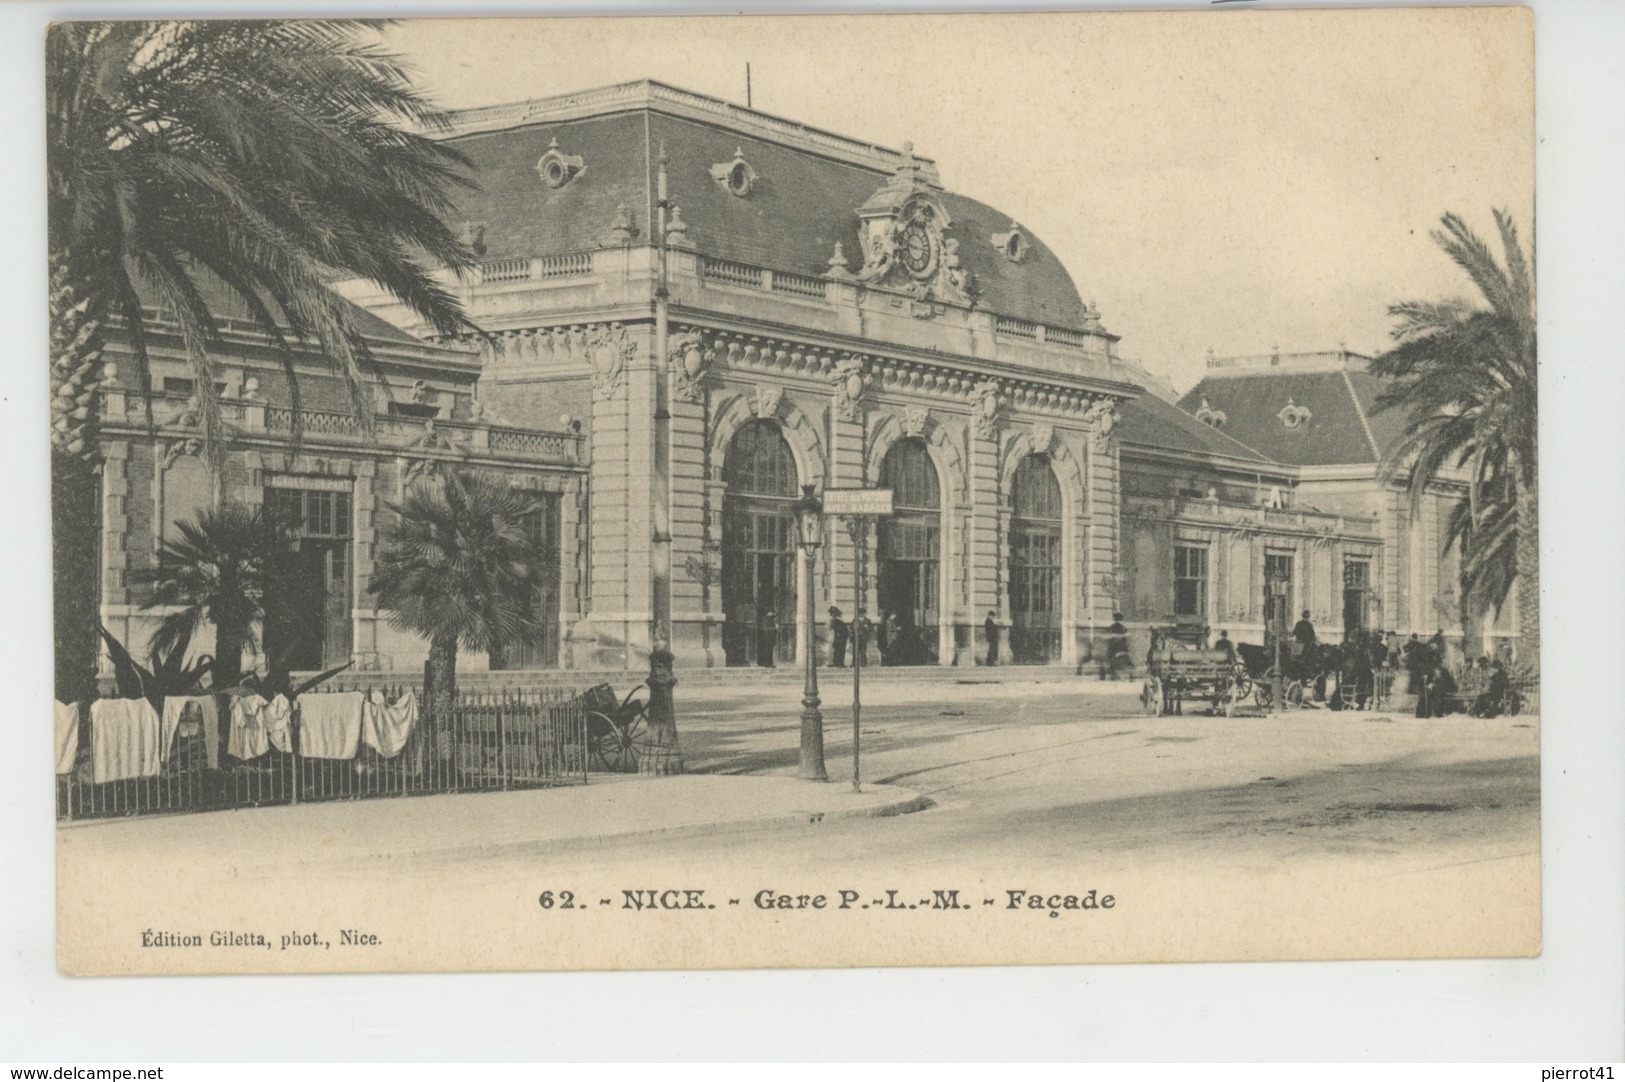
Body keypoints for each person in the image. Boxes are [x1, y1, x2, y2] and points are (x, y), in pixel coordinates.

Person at [1104, 612, 1131, 679]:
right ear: (1121, 619)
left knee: (1110, 657)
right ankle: (1128, 666)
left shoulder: (1112, 627)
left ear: (1115, 619)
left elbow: (1108, 635)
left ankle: (1112, 672)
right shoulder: (1123, 627)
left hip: (1114, 647)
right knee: (1127, 657)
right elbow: (1126, 635)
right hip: (1122, 647)